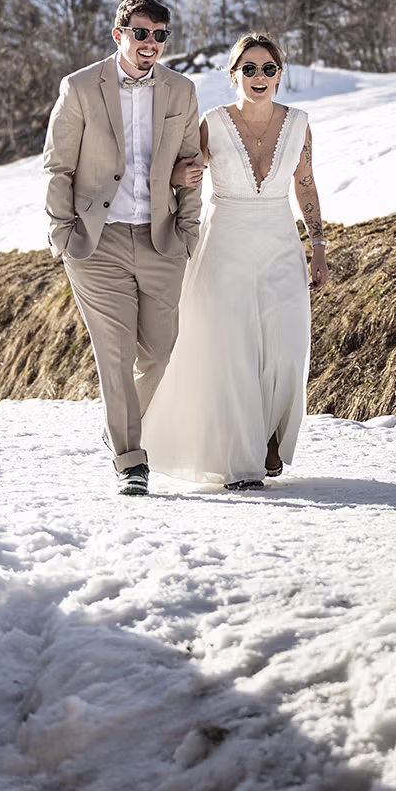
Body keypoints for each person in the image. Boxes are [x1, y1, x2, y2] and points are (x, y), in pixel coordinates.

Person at [142, 32, 328, 489]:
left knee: (285, 347)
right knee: (234, 350)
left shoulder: (300, 124)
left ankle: (269, 435)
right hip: (224, 240)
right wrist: (178, 175)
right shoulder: (213, 122)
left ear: (280, 75)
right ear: (233, 75)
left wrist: (318, 247)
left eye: (268, 68)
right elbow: (187, 173)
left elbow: (305, 185)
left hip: (281, 242)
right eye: (249, 68)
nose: (259, 76)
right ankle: (241, 460)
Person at [42, 0, 205, 496]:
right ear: (119, 36)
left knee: (160, 354)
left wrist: (188, 234)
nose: (150, 43)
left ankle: (120, 422)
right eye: (141, 33)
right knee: (112, 355)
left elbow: (191, 169)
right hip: (97, 243)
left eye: (159, 35)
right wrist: (62, 234)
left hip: (161, 240)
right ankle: (130, 458)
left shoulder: (181, 91)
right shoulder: (80, 88)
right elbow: (57, 166)